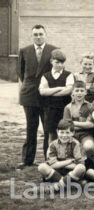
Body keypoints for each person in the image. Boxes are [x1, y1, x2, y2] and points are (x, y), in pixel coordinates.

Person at [16, 24, 57, 168]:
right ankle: (27, 160)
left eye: (41, 34)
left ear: (45, 34)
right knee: (30, 128)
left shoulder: (53, 50)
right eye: (35, 34)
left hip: (47, 96)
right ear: (32, 36)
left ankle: (48, 158)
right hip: (30, 95)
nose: (38, 37)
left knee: (48, 129)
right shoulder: (24, 51)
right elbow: (20, 73)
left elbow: (56, 72)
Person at [39, 49, 74, 154]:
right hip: (50, 109)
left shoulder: (69, 75)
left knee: (65, 132)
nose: (59, 65)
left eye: (62, 63)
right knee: (50, 133)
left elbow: (68, 90)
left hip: (64, 109)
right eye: (57, 62)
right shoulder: (46, 76)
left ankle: (65, 155)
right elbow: (42, 92)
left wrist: (50, 92)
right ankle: (50, 157)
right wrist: (59, 88)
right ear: (51, 61)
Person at [38, 120, 86, 192]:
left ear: (72, 133)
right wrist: (70, 161)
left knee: (81, 168)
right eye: (62, 132)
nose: (64, 135)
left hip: (72, 172)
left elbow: (80, 164)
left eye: (67, 132)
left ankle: (57, 186)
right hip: (56, 172)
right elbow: (52, 165)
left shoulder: (76, 144)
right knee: (41, 167)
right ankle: (70, 185)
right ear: (57, 132)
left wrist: (59, 163)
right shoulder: (53, 145)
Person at [63, 81, 94, 166]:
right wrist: (84, 125)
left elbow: (91, 125)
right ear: (72, 92)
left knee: (88, 146)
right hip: (72, 135)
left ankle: (88, 166)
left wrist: (74, 123)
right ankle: (75, 167)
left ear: (85, 92)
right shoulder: (68, 107)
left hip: (86, 134)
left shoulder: (90, 106)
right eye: (77, 91)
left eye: (81, 91)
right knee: (68, 148)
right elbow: (66, 126)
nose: (79, 93)